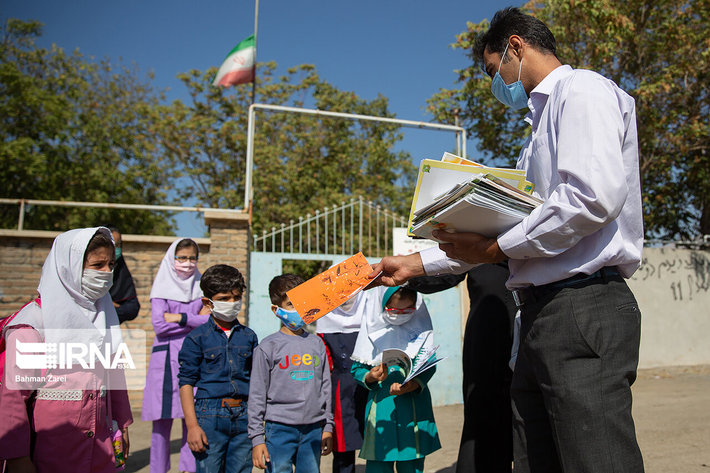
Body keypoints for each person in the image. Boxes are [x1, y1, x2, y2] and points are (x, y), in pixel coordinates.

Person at [369, 7, 644, 473]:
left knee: (595, 458)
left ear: (516, 46)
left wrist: (496, 249)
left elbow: (590, 199)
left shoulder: (581, 91)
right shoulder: (535, 137)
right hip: (540, 312)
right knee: (536, 457)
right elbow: (504, 229)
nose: (497, 84)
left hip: (581, 304)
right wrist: (415, 265)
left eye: (494, 71)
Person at [0, 227, 132, 472]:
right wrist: (18, 458)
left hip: (100, 448)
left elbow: (115, 374)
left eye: (111, 265)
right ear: (68, 267)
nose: (107, 273)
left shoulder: (105, 317)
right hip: (47, 454)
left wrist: (122, 425)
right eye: (97, 265)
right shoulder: (34, 325)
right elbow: (13, 398)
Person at [407, 263, 515, 473]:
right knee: (484, 414)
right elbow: (447, 271)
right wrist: (408, 275)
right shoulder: (476, 241)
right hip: (487, 342)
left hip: (535, 333)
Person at [350, 286, 441, 473]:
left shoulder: (421, 331)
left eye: (407, 310)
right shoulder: (370, 334)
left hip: (413, 408)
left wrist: (413, 383)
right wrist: (370, 376)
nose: (400, 315)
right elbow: (357, 369)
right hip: (381, 409)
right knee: (378, 463)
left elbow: (429, 364)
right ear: (381, 306)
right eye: (394, 310)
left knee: (412, 462)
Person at [248, 274, 334, 473]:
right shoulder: (267, 347)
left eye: (303, 303)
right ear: (276, 310)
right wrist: (257, 438)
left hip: (313, 428)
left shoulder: (317, 344)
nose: (298, 309)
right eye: (290, 304)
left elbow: (325, 388)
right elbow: (257, 394)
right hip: (278, 428)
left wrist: (327, 426)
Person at [178, 264, 258, 473]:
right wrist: (192, 426)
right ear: (208, 302)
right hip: (209, 415)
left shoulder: (249, 336)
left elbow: (257, 380)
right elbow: (186, 382)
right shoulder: (196, 338)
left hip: (244, 414)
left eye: (236, 297)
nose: (231, 303)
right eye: (224, 299)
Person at [143, 238, 211, 473]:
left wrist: (179, 317)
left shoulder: (201, 287)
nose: (188, 263)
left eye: (193, 258)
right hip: (165, 362)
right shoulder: (161, 289)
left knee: (190, 418)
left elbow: (208, 320)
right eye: (182, 258)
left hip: (193, 356)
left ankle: (188, 469)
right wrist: (193, 319)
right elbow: (159, 326)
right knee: (161, 424)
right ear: (172, 259)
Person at [316, 291, 369, 473]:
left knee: (374, 443)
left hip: (369, 385)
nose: (346, 298)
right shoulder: (324, 324)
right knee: (343, 446)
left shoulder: (370, 318)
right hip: (339, 390)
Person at [105, 225, 141, 324]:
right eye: (111, 244)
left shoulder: (121, 269)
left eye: (118, 245)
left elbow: (132, 308)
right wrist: (107, 303)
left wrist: (109, 309)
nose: (115, 249)